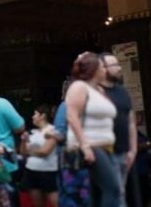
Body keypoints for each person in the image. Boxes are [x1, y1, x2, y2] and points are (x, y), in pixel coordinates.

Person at [63, 52, 121, 207]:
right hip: (91, 145)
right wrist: (84, 145)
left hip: (105, 146)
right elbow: (72, 115)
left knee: (97, 193)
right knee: (113, 188)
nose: (105, 70)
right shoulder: (79, 87)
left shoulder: (100, 90)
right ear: (94, 69)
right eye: (102, 67)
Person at [99, 55, 138, 203]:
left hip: (123, 152)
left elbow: (131, 122)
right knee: (114, 193)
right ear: (102, 69)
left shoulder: (122, 91)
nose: (119, 68)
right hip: (104, 153)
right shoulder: (94, 91)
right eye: (113, 65)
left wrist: (133, 149)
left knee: (120, 192)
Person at [21, 105, 62, 207]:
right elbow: (23, 153)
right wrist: (23, 140)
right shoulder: (32, 133)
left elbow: (45, 151)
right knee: (37, 203)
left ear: (42, 116)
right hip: (31, 171)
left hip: (48, 171)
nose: (32, 117)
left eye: (35, 114)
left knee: (56, 202)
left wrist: (31, 151)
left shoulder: (52, 131)